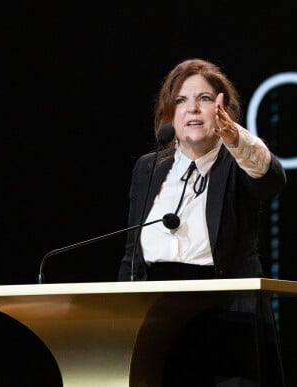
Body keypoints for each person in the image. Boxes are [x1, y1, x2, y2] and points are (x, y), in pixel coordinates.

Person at [118, 58, 287, 386]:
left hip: (227, 319)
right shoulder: (148, 168)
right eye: (181, 100)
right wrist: (122, 319)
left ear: (223, 111)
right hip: (159, 322)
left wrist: (236, 139)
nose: (192, 109)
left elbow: (272, 180)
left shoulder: (238, 162)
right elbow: (131, 255)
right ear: (170, 113)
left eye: (205, 99)